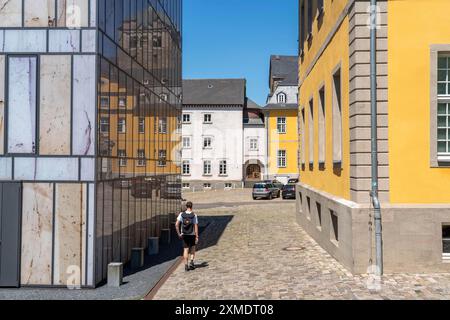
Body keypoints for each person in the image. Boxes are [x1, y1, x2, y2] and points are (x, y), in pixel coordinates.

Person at [175, 201, 199, 271]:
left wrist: (179, 233)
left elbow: (176, 225)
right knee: (193, 248)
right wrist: (197, 236)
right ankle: (191, 262)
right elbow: (196, 226)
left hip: (184, 235)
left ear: (186, 206)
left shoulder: (181, 214)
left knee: (185, 249)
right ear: (191, 207)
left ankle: (186, 265)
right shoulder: (194, 215)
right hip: (192, 234)